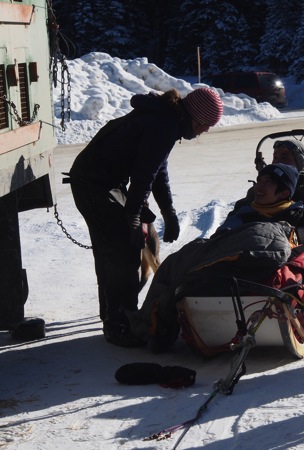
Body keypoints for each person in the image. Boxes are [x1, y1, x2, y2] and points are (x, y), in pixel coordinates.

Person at [66, 87, 224, 347]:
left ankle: (113, 315)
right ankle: (119, 325)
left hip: (101, 180)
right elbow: (144, 175)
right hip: (94, 183)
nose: (204, 131)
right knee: (121, 251)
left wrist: (168, 211)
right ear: (195, 117)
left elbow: (157, 169)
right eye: (205, 125)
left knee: (115, 248)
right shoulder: (164, 124)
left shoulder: (166, 118)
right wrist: (133, 216)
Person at [128, 163, 304, 352]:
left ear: (284, 192)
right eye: (259, 180)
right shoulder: (242, 216)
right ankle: (153, 324)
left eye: (268, 182)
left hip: (272, 279)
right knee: (176, 264)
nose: (259, 186)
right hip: (229, 274)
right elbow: (219, 246)